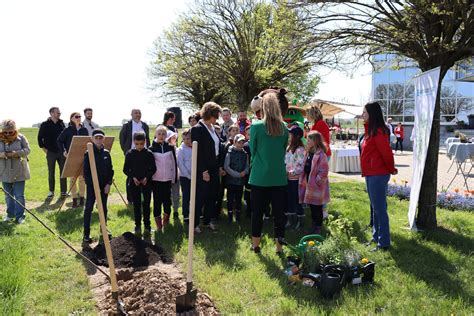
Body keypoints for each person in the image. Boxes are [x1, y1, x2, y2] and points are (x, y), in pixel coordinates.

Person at [249, 91, 289, 254]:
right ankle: (279, 248)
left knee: (257, 213)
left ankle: (256, 245)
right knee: (279, 215)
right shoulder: (285, 128)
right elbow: (283, 150)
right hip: (279, 177)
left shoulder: (256, 126)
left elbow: (253, 150)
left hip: (259, 177)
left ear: (263, 107)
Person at [361, 102, 397, 252]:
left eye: (364, 112)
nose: (362, 115)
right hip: (371, 174)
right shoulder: (370, 130)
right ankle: (376, 237)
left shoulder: (379, 131)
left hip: (378, 174)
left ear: (372, 114)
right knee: (375, 208)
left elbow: (386, 153)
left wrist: (391, 169)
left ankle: (384, 243)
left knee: (380, 209)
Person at [191, 102, 223, 233]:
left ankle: (207, 220)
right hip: (203, 168)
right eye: (216, 116)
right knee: (200, 197)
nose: (217, 119)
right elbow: (197, 152)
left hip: (214, 166)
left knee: (212, 195)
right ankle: (195, 224)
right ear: (209, 114)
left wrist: (219, 166)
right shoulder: (197, 129)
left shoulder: (213, 128)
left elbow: (217, 147)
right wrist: (203, 170)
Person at [83, 129, 114, 244]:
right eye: (96, 137)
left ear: (103, 139)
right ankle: (86, 234)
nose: (99, 139)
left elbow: (110, 170)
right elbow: (86, 172)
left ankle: (103, 230)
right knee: (89, 208)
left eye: (101, 137)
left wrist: (108, 184)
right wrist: (94, 186)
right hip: (92, 187)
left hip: (104, 186)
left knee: (103, 208)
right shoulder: (88, 153)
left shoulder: (106, 153)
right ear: (92, 139)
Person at [123, 132, 156, 237]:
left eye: (141, 144)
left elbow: (153, 168)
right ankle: (137, 226)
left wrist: (147, 177)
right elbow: (125, 169)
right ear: (134, 142)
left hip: (146, 183)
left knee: (146, 205)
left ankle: (147, 226)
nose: (139, 146)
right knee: (136, 205)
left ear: (144, 142)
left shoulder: (149, 153)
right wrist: (133, 177)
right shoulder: (130, 154)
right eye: (137, 144)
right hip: (134, 184)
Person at [299, 131, 330, 234]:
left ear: (315, 141)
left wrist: (317, 181)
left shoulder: (321, 154)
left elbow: (324, 171)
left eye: (309, 140)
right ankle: (313, 223)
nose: (307, 142)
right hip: (308, 182)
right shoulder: (309, 152)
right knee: (312, 206)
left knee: (317, 206)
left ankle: (318, 226)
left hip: (317, 185)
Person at [0, 119, 30, 224]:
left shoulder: (21, 138)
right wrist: (3, 155)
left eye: (10, 132)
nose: (8, 134)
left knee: (19, 195)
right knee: (8, 195)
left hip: (19, 171)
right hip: (4, 172)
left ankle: (20, 216)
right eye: (5, 132)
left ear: (15, 130)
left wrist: (16, 153)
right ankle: (10, 214)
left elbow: (27, 150)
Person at [57, 112, 89, 208]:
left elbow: (87, 141)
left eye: (80, 117)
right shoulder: (67, 130)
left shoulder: (84, 129)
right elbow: (59, 141)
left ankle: (82, 199)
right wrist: (64, 151)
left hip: (83, 157)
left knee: (82, 179)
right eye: (76, 117)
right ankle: (74, 200)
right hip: (71, 157)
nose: (79, 118)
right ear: (71, 119)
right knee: (73, 179)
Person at [149, 126, 177, 232]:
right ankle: (158, 225)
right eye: (159, 133)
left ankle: (166, 221)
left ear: (166, 135)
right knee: (157, 202)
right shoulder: (151, 149)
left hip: (167, 180)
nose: (161, 136)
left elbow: (174, 163)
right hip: (156, 180)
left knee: (167, 201)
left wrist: (174, 177)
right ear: (156, 134)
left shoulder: (170, 147)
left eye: (163, 134)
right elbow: (150, 166)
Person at [119, 109, 150, 203]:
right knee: (131, 176)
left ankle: (142, 198)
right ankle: (130, 198)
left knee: (144, 175)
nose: (138, 115)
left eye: (139, 113)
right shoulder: (127, 126)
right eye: (136, 113)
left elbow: (148, 138)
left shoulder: (144, 125)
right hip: (132, 154)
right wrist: (126, 151)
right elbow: (122, 139)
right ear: (131, 114)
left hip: (144, 153)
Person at [37, 107, 67, 198]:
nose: (59, 114)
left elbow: (65, 137)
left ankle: (63, 191)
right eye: (57, 112)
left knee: (63, 172)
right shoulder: (45, 124)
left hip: (62, 152)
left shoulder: (61, 124)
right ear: (51, 113)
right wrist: (44, 149)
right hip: (50, 152)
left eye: (59, 112)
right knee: (51, 172)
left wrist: (65, 149)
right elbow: (39, 138)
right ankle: (51, 191)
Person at [224, 134, 249, 223]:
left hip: (240, 182)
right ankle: (230, 216)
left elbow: (247, 166)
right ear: (234, 142)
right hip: (231, 181)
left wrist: (245, 172)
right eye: (239, 142)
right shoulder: (229, 152)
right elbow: (226, 166)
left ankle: (238, 215)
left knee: (239, 199)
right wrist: (236, 174)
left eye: (242, 142)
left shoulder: (245, 154)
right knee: (230, 199)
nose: (240, 144)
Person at [285, 125, 305, 230]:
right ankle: (290, 219)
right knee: (289, 199)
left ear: (296, 137)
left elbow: (300, 165)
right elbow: (286, 161)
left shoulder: (300, 149)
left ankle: (300, 221)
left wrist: (291, 172)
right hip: (288, 178)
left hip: (296, 180)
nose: (289, 136)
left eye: (291, 134)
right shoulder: (288, 148)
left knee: (297, 200)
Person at [177, 129, 192, 223]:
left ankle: (193, 213)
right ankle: (186, 215)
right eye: (185, 138)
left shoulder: (194, 148)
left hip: (194, 176)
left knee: (193, 196)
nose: (187, 140)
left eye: (189, 138)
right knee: (186, 196)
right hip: (185, 177)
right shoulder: (181, 150)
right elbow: (180, 164)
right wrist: (187, 175)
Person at [166, 130, 180, 219]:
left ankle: (175, 211)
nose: (174, 139)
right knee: (168, 195)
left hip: (176, 176)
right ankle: (167, 212)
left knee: (176, 195)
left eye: (175, 138)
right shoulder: (166, 150)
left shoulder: (177, 149)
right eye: (172, 138)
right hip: (167, 176)